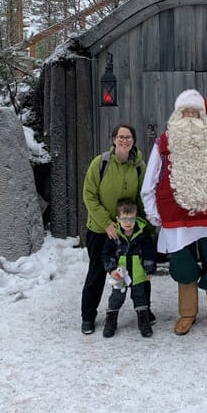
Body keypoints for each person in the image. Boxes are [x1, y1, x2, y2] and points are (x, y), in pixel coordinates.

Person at [141, 89, 207, 337]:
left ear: (203, 115)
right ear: (177, 115)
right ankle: (187, 313)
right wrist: (155, 213)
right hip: (177, 219)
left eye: (194, 112)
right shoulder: (164, 144)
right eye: (185, 112)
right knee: (183, 265)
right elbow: (150, 181)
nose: (190, 116)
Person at [80, 123, 149, 334]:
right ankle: (88, 315)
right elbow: (89, 195)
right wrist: (107, 223)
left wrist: (145, 227)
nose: (124, 140)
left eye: (128, 137)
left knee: (138, 271)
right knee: (98, 272)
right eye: (121, 137)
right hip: (102, 230)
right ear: (113, 139)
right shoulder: (100, 163)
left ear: (133, 141)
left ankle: (145, 310)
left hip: (129, 231)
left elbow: (143, 196)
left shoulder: (138, 166)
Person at [101, 198, 157, 338]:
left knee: (140, 296)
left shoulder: (142, 234)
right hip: (121, 273)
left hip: (138, 272)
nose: (128, 223)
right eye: (124, 219)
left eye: (131, 219)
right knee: (117, 297)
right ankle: (111, 320)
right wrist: (112, 269)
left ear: (136, 218)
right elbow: (106, 254)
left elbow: (149, 252)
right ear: (118, 219)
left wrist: (149, 269)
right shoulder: (114, 235)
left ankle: (143, 321)